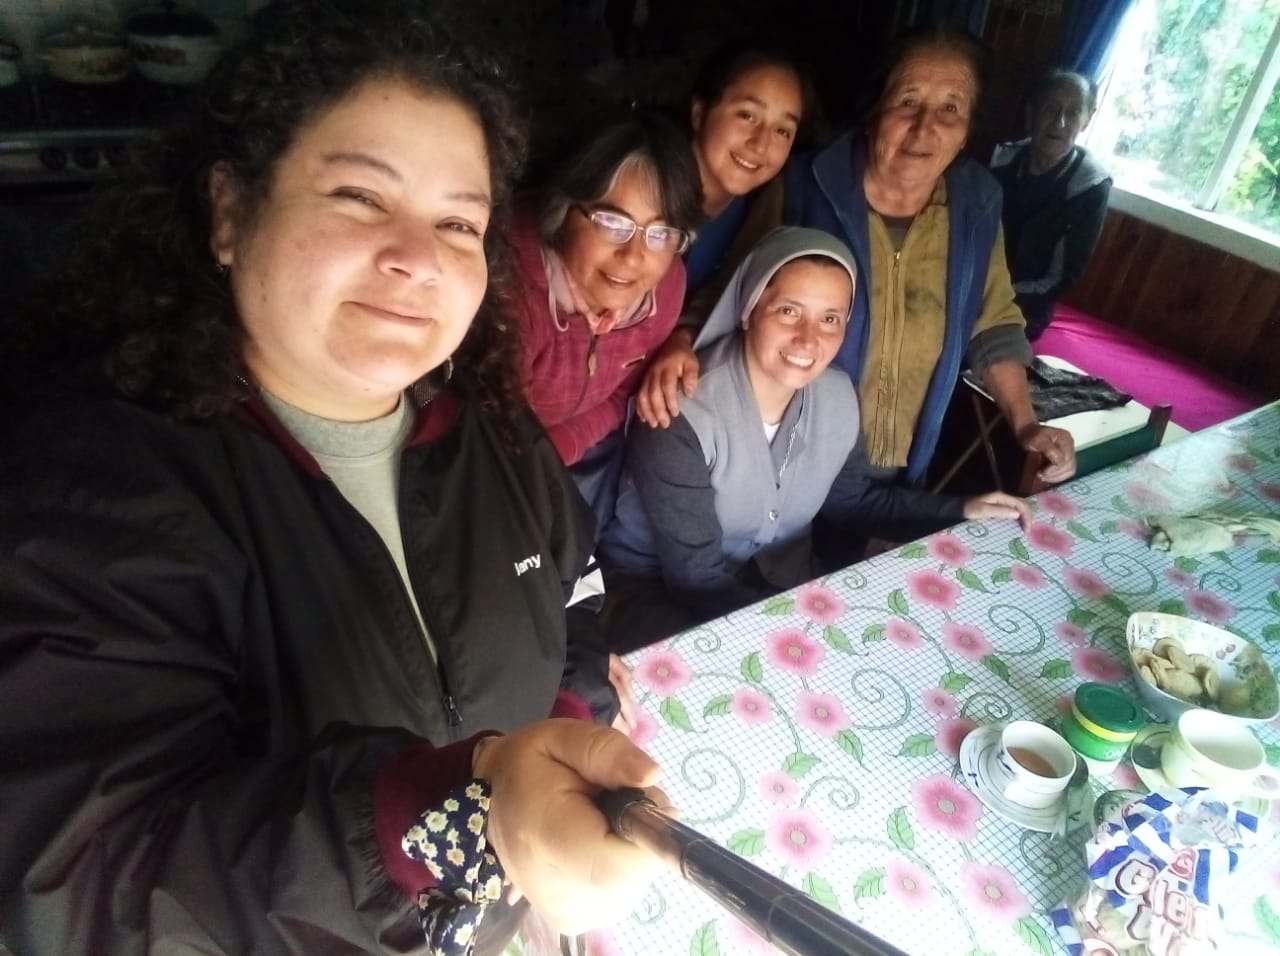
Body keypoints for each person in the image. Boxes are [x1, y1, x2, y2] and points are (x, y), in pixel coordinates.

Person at [0, 3, 669, 954]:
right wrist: (452, 820)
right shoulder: (95, 491)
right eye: (359, 196)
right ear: (231, 211)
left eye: (457, 221)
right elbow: (84, 887)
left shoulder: (491, 430)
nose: (417, 259)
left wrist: (562, 740)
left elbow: (573, 598)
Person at [637, 24, 1078, 501]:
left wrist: (1025, 422)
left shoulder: (977, 203)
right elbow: (733, 285)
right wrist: (682, 338)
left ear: (968, 129)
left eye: (951, 108)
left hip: (908, 454)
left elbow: (993, 321)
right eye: (908, 101)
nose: (924, 127)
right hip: (787, 450)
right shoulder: (805, 184)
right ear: (874, 111)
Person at [598, 227, 1030, 652]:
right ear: (748, 311)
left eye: (829, 319)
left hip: (769, 583)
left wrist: (960, 510)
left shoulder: (836, 395)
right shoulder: (678, 411)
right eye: (788, 311)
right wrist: (812, 632)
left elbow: (855, 502)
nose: (808, 339)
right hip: (654, 593)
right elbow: (697, 576)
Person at [510, 111, 701, 527]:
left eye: (660, 233)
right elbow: (486, 438)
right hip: (495, 466)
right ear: (564, 211)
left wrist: (562, 445)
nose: (633, 258)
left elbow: (623, 391)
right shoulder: (512, 295)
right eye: (613, 222)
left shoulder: (666, 286)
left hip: (572, 450)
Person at [639, 39, 811, 427]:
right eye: (747, 115)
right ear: (700, 113)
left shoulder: (757, 214)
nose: (761, 144)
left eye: (783, 131)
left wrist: (683, 337)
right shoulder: (639, 189)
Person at [990, 69, 1112, 340]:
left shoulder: (1089, 187)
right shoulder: (1000, 159)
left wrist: (997, 294)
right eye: (1051, 109)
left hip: (1022, 307)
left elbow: (1062, 277)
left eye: (1073, 112)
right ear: (1031, 113)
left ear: (1086, 120)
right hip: (968, 285)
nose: (1059, 122)